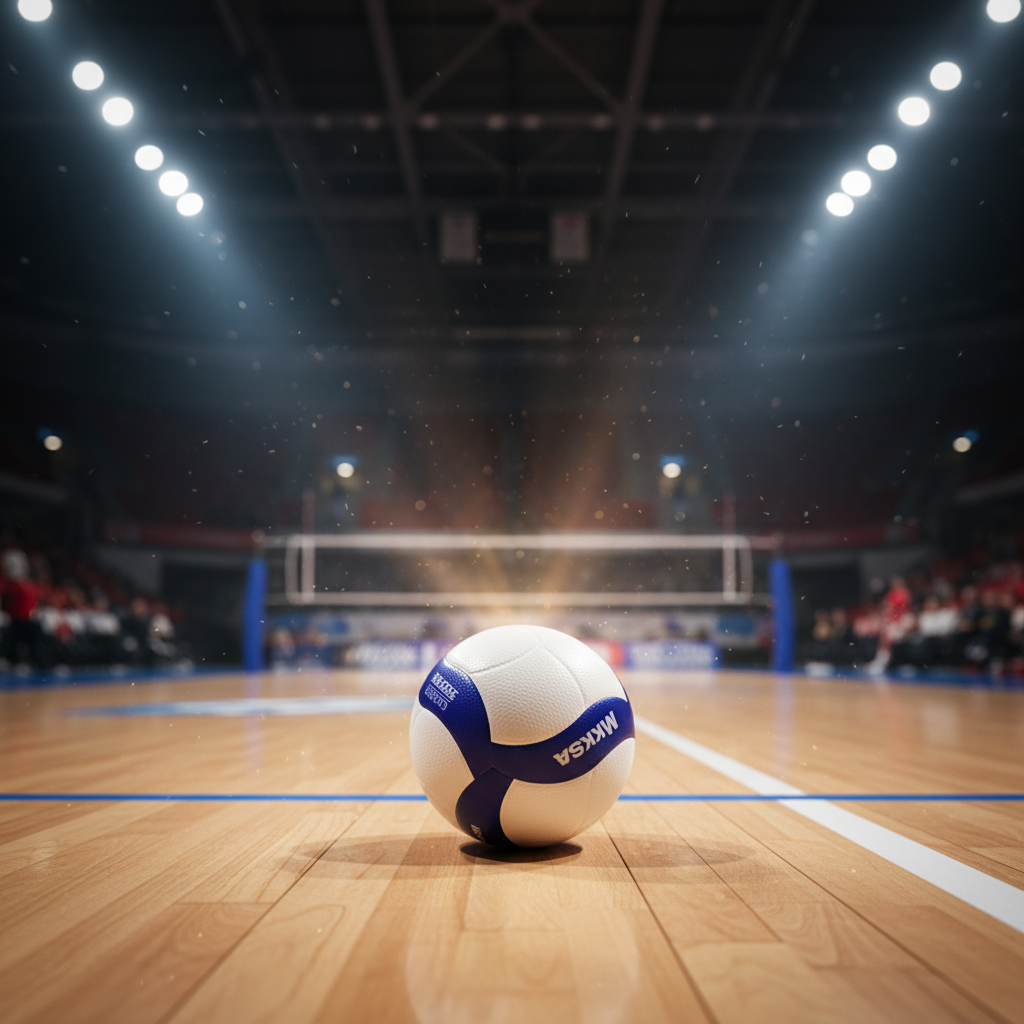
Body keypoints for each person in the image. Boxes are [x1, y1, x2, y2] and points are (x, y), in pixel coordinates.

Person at [0, 549, 42, 668]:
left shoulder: (26, 586)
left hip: (23, 620)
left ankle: (30, 660)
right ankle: (10, 658)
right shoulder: (12, 586)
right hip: (15, 619)